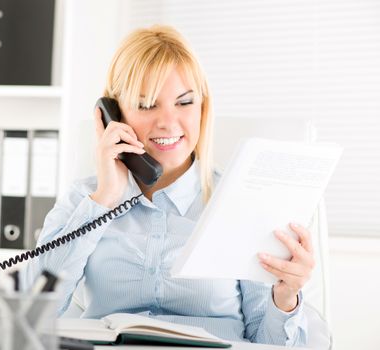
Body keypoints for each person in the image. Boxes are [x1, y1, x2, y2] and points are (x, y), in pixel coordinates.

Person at [31, 25, 314, 346]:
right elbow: (31, 312)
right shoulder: (86, 198)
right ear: (113, 114)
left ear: (203, 108)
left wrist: (286, 296)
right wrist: (105, 199)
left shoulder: (241, 202)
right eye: (147, 104)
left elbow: (268, 343)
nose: (167, 122)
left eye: (184, 102)